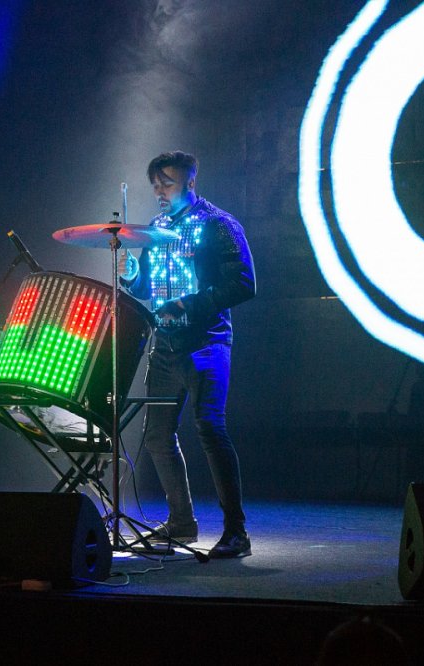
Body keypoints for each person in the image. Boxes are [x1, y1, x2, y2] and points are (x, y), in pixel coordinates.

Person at [117, 151, 256, 558]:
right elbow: (147, 288)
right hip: (165, 345)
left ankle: (236, 532)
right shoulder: (157, 228)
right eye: (155, 184)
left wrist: (190, 304)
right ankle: (181, 522)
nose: (160, 191)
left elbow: (244, 283)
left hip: (207, 342)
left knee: (210, 428)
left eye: (168, 183)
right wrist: (132, 276)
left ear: (191, 183)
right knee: (157, 436)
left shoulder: (218, 224)